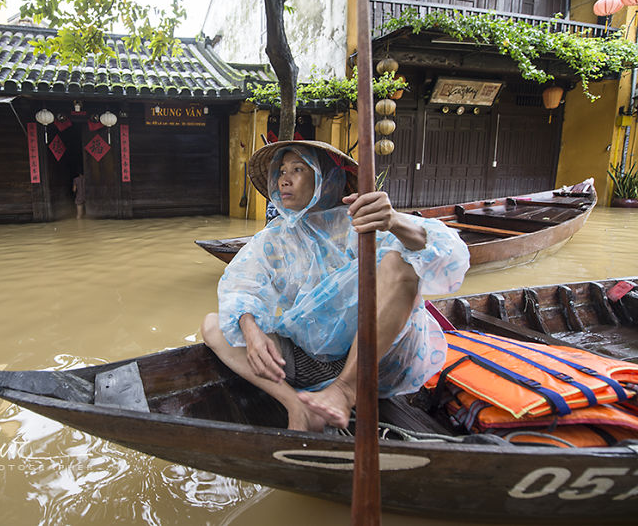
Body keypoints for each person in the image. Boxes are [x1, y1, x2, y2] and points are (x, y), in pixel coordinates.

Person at [201, 140, 469, 432]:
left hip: (381, 361)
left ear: (324, 178)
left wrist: (394, 222)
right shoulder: (275, 237)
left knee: (400, 262)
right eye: (281, 171)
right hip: (313, 363)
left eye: (298, 169)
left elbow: (447, 251)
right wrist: (250, 329)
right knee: (213, 325)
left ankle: (344, 390)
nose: (284, 179)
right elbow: (241, 286)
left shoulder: (365, 220)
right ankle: (296, 405)